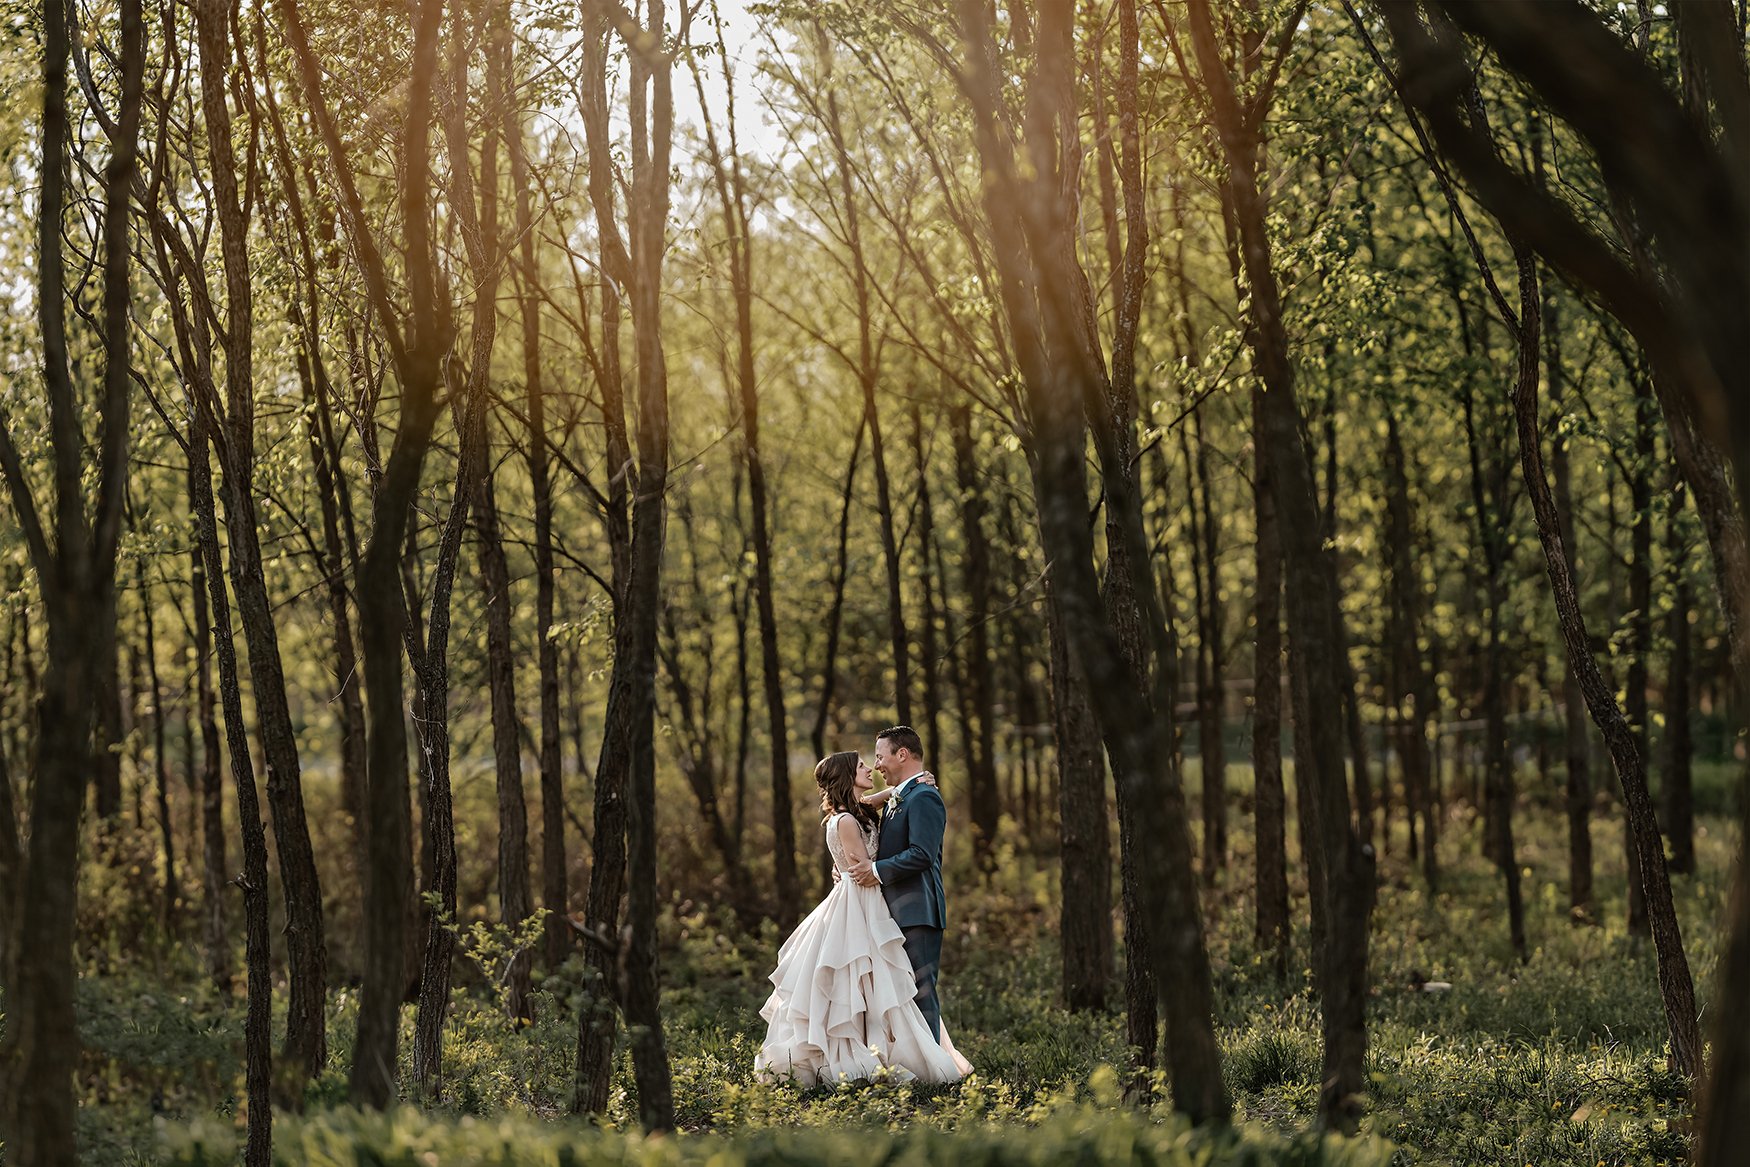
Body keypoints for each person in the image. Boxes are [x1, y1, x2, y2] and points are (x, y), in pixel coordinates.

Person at [754, 743, 970, 1086]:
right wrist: (848, 868)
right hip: (861, 904)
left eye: (873, 761)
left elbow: (868, 803)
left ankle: (897, 1053)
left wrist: (908, 785)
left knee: (876, 984)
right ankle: (881, 1060)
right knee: (864, 982)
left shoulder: (857, 809)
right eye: (861, 766)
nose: (870, 768)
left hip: (872, 900)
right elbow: (860, 868)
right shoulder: (845, 821)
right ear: (846, 777)